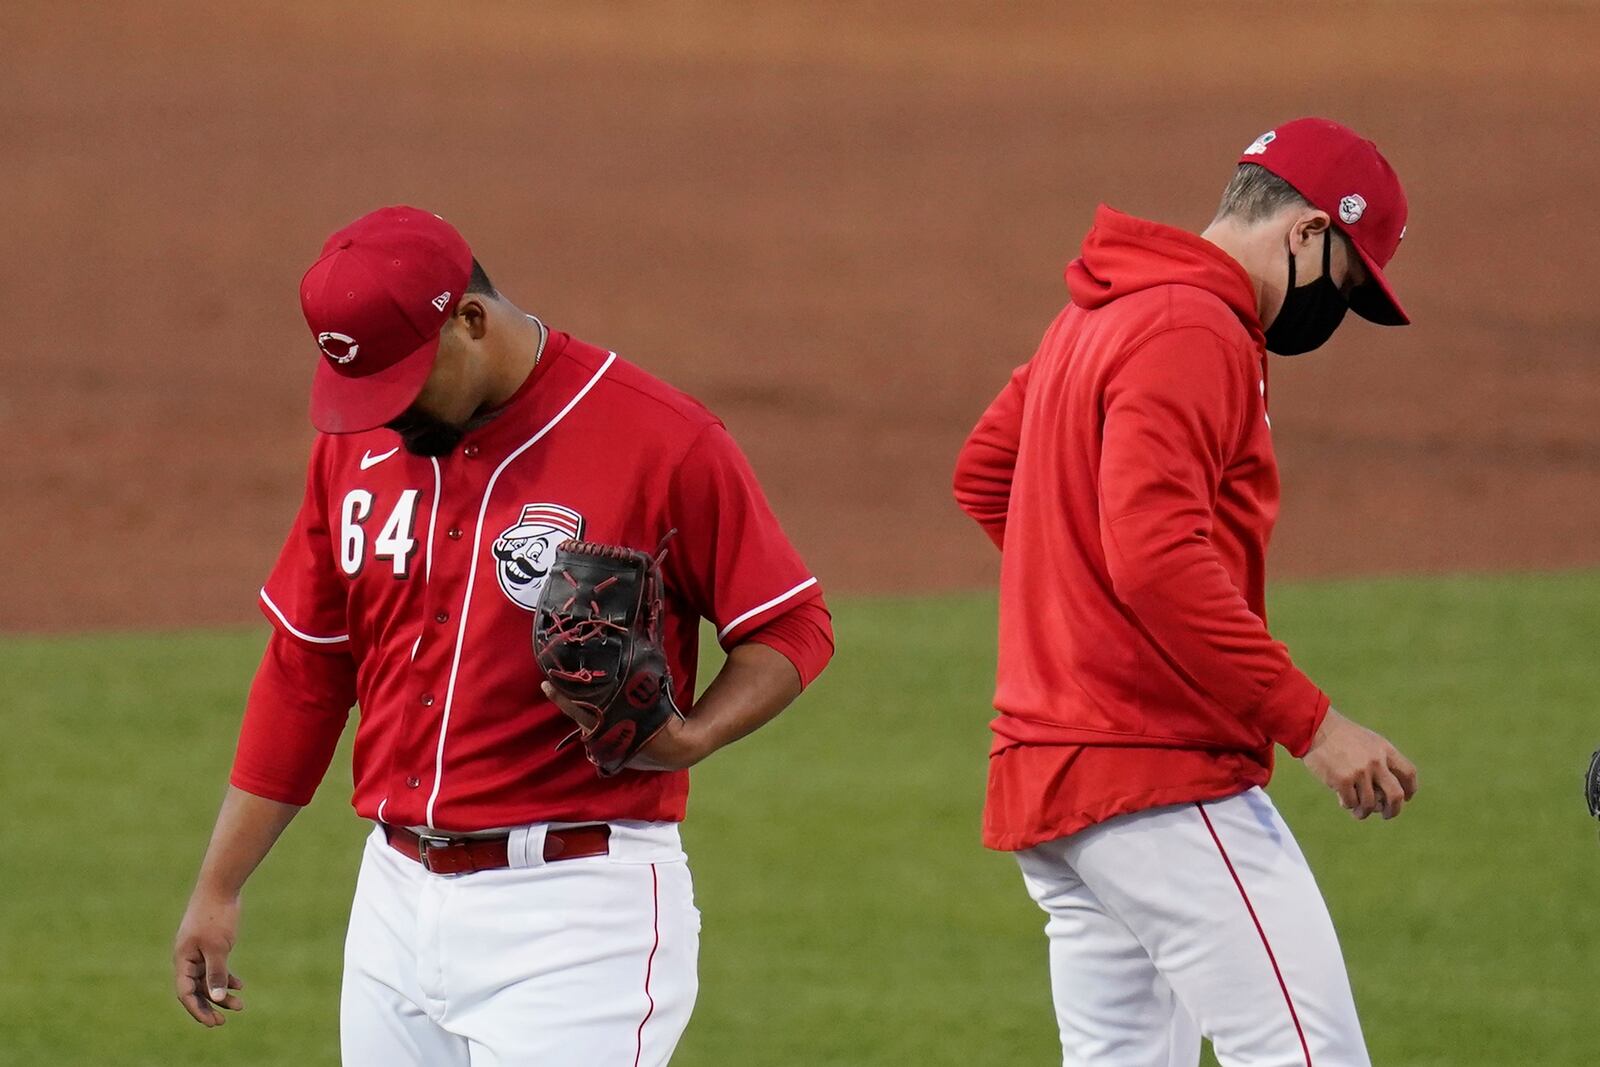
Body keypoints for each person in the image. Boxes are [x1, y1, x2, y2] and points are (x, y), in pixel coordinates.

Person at [172, 206, 833, 1066]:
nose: (389, 417)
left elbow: (791, 624)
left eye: (403, 385)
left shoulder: (660, 440)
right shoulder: (356, 449)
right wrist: (219, 884)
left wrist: (691, 736)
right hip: (394, 908)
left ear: (471, 322)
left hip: (576, 915)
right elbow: (307, 670)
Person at [952, 118, 1419, 1066]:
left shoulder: (1101, 308)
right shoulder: (1193, 325)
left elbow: (989, 472)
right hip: (1154, 772)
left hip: (1061, 777)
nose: (1337, 308)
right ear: (1306, 232)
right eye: (1347, 278)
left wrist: (1084, 603)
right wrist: (1316, 726)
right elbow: (1157, 558)